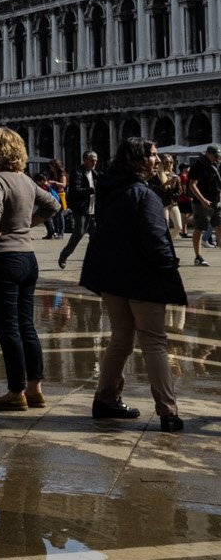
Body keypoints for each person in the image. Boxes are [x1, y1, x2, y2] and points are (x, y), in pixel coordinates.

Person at [80, 136, 185, 431]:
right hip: (142, 279)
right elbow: (156, 239)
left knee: (120, 338)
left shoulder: (110, 189)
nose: (157, 159)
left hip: (113, 278)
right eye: (152, 154)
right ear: (138, 159)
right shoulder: (144, 195)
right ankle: (168, 411)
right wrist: (168, 269)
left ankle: (105, 400)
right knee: (154, 341)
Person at [0, 128, 60, 411]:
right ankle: (35, 388)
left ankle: (15, 391)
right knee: (27, 325)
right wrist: (27, 226)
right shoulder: (25, 180)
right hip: (28, 259)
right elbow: (53, 205)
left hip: (3, 260)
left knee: (8, 327)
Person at [58, 152, 98, 268]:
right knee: (78, 234)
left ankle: (94, 261)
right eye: (92, 160)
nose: (94, 163)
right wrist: (90, 190)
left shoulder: (94, 173)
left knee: (96, 236)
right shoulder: (77, 172)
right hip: (81, 209)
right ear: (85, 160)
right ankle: (64, 255)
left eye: (96, 160)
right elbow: (75, 190)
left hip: (93, 209)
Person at [187, 146, 221, 267]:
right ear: (208, 154)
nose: (218, 158)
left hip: (216, 202)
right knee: (199, 228)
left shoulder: (214, 165)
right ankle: (198, 257)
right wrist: (202, 200)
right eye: (215, 156)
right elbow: (192, 185)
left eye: (218, 156)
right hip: (201, 203)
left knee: (219, 227)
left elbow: (217, 184)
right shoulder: (198, 166)